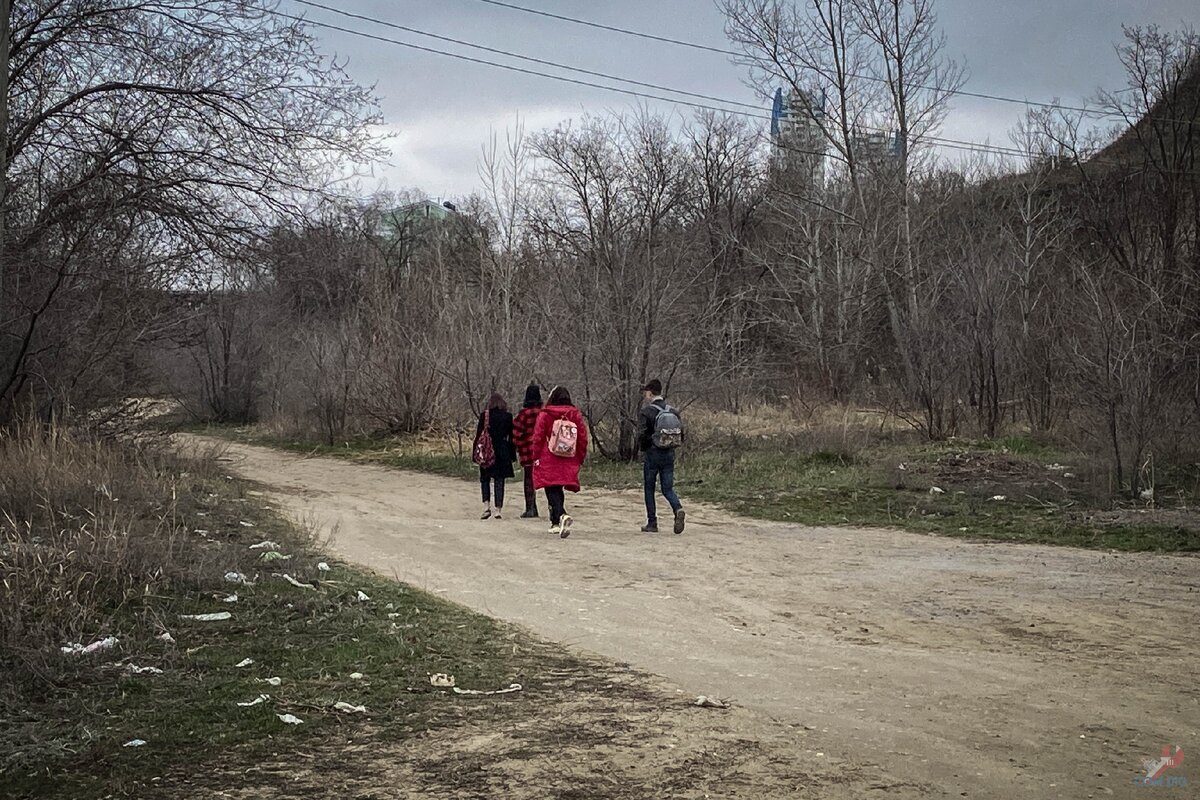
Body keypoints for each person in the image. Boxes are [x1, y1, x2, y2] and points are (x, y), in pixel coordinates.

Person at [531, 386, 588, 538]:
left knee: (551, 488)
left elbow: (538, 436)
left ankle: (561, 515)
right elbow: (583, 437)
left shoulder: (545, 414)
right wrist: (580, 457)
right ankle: (556, 522)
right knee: (558, 488)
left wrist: (535, 456)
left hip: (548, 456)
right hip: (568, 457)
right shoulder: (574, 414)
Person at [639, 379, 685, 534]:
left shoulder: (647, 412)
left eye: (646, 392)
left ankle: (652, 523)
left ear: (650, 393)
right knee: (667, 488)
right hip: (669, 453)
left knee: (649, 488)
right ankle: (677, 508)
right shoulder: (673, 411)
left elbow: (642, 435)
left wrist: (643, 449)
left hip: (653, 454)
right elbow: (681, 434)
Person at [475, 392, 515, 519]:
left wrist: (476, 454)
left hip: (487, 451)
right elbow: (511, 437)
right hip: (502, 451)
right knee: (499, 480)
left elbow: (478, 436)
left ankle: (486, 507)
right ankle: (498, 509)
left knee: (485, 479)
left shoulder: (484, 416)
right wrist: (512, 454)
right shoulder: (508, 417)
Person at [512, 383, 544, 518]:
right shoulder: (544, 414)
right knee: (547, 481)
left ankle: (531, 507)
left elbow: (516, 433)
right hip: (542, 452)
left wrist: (520, 445)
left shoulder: (523, 415)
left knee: (528, 480)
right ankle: (554, 507)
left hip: (527, 452)